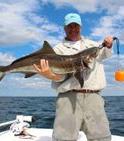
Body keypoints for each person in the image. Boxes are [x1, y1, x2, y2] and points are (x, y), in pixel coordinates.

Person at [34, 13, 113, 141]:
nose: (73, 29)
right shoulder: (57, 50)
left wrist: (108, 45)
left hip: (94, 97)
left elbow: (105, 54)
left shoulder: (93, 45)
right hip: (68, 97)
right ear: (64, 28)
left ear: (81, 27)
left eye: (76, 26)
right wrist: (48, 74)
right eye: (69, 26)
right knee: (64, 138)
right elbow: (60, 78)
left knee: (101, 137)